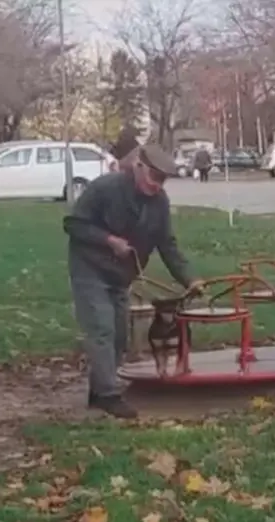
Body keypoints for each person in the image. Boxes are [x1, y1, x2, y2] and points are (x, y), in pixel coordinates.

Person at [63, 145, 203, 419]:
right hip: (89, 268)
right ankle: (108, 395)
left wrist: (191, 278)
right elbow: (73, 224)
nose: (156, 185)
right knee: (101, 328)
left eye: (162, 180)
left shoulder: (160, 203)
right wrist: (109, 240)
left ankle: (98, 391)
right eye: (153, 176)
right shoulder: (105, 188)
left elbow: (167, 245)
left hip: (122, 275)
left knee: (118, 335)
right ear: (139, 167)